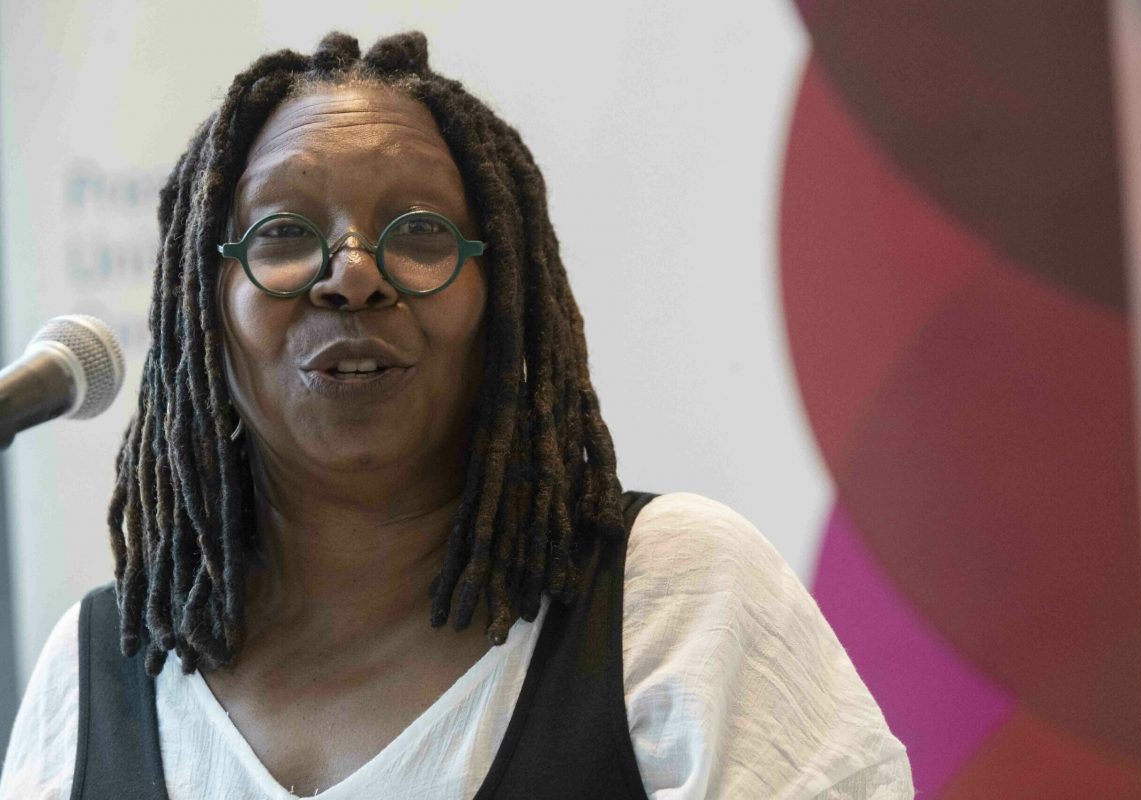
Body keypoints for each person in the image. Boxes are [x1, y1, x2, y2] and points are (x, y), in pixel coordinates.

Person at [0, 32, 912, 799]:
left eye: (421, 233)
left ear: (505, 300)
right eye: (282, 233)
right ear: (204, 311)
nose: (352, 274)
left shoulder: (674, 598)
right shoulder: (97, 678)